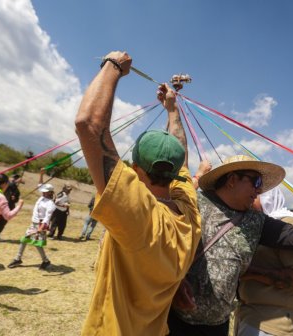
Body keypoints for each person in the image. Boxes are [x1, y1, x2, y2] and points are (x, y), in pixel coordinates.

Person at [74, 51, 202, 335]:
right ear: (175, 172)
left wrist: (114, 65)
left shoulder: (138, 214)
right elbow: (182, 156)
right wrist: (172, 108)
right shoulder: (189, 209)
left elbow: (89, 125)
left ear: (135, 169)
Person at [168, 154, 293, 336]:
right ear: (232, 180)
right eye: (255, 182)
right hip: (174, 320)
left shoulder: (256, 222)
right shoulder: (196, 204)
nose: (259, 190)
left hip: (217, 326)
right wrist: (175, 283)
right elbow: (162, 246)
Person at [237, 187, 293, 336]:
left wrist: (251, 272)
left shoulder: (288, 225)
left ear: (267, 197)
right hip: (252, 317)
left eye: (255, 195)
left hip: (275, 324)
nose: (249, 198)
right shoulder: (258, 225)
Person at [7, 171, 55, 270]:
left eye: (45, 191)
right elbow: (40, 185)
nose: (43, 192)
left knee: (35, 243)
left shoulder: (50, 204)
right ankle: (19, 258)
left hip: (40, 225)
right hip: (34, 224)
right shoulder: (42, 197)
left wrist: (40, 229)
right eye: (43, 191)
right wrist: (41, 173)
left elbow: (47, 218)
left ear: (50, 192)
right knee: (25, 240)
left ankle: (44, 260)